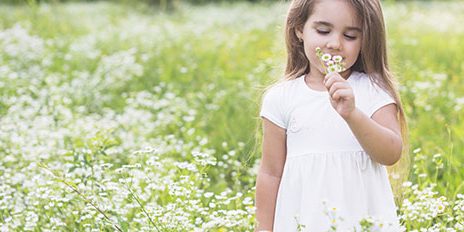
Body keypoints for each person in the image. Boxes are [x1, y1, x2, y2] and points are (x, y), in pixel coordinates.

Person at [254, 0, 408, 231]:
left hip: (361, 220)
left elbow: (391, 153)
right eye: (323, 31)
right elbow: (270, 174)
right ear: (299, 30)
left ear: (366, 40)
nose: (335, 44)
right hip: (304, 220)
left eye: (350, 36)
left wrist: (352, 114)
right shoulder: (281, 98)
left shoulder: (372, 90)